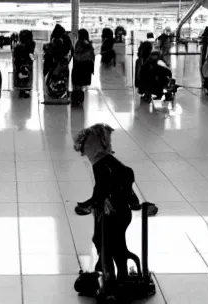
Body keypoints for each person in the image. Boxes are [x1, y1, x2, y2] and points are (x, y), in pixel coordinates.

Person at [73, 124, 136, 296]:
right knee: (114, 243)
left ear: (94, 147)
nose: (85, 153)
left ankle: (110, 279)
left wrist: (86, 205)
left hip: (111, 212)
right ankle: (118, 276)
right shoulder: (110, 160)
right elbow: (127, 176)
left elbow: (100, 190)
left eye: (86, 148)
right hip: (120, 211)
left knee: (106, 243)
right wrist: (132, 199)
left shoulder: (100, 164)